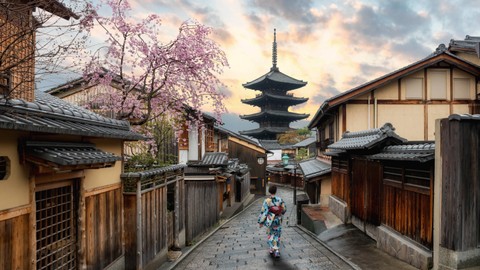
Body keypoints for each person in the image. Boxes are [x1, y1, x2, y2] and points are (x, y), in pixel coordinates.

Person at [257, 185, 286, 258]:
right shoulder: (280, 200)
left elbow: (264, 212)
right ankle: (276, 250)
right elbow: (284, 209)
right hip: (278, 220)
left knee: (271, 234)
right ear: (275, 191)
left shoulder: (267, 201)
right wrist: (279, 211)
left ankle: (272, 249)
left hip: (270, 220)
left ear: (269, 191)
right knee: (277, 234)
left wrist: (261, 222)